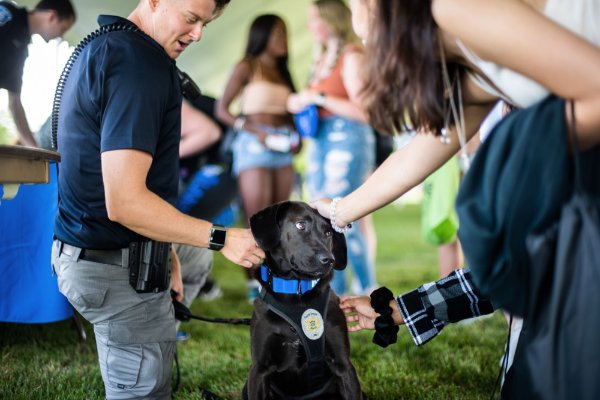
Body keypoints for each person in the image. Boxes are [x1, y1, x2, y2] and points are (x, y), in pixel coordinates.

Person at [311, 0, 600, 395]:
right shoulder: (468, 62)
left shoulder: (453, 7)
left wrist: (509, 173)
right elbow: (424, 146)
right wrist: (337, 212)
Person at [51, 1, 266, 398]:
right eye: (191, 18)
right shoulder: (138, 64)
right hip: (109, 264)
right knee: (144, 390)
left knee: (195, 257)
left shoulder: (111, 44)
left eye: (206, 22)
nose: (199, 33)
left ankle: (159, 325)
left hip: (92, 248)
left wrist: (164, 253)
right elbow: (126, 203)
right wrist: (224, 237)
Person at [287, 0, 376, 296]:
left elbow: (366, 112)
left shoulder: (352, 55)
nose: (310, 25)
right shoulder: (323, 56)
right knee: (322, 214)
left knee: (342, 214)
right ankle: (334, 288)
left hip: (348, 138)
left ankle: (364, 286)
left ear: (331, 19)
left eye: (315, 19)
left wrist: (319, 97)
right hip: (322, 140)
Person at [215, 14, 298, 302]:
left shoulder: (283, 72)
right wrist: (252, 130)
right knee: (258, 217)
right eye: (277, 33)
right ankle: (254, 281)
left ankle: (274, 277)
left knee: (281, 218)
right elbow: (222, 109)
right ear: (261, 34)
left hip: (283, 146)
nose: (283, 40)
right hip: (253, 144)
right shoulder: (247, 66)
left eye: (285, 34)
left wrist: (296, 134)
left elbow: (291, 112)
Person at [0, 0, 75, 148]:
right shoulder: (7, 12)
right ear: (51, 16)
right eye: (63, 28)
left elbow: (14, 103)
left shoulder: (20, 50)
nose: (61, 36)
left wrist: (35, 151)